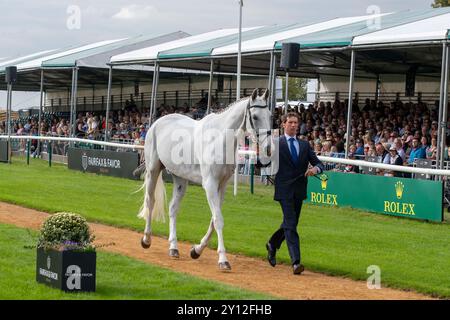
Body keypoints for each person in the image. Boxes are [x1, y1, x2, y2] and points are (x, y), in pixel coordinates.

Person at [266, 112, 324, 275]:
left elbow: (319, 163)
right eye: (290, 122)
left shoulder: (305, 145)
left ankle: (272, 243)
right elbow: (263, 163)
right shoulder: (276, 143)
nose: (293, 125)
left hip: (299, 189)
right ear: (284, 124)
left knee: (290, 224)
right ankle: (296, 262)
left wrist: (315, 169)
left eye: (295, 122)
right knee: (291, 223)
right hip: (284, 189)